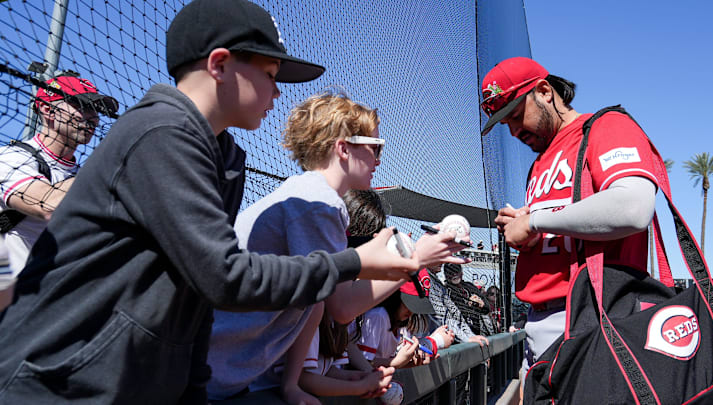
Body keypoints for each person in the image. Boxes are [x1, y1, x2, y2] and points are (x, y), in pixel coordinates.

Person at [0, 1, 467, 403]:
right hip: (62, 376)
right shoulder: (161, 133)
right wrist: (355, 261)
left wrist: (193, 387)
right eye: (268, 74)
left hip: (147, 378)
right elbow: (224, 276)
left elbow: (199, 293)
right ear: (220, 65)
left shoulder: (225, 155)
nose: (278, 91)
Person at [206, 92, 411, 403]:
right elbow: (341, 308)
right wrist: (414, 261)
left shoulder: (307, 193)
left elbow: (315, 303)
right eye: (374, 148)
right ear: (343, 148)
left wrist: (292, 385)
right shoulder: (320, 202)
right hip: (215, 368)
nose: (378, 159)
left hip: (230, 367)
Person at [482, 56, 663, 390]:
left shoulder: (605, 126)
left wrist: (535, 221)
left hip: (593, 319)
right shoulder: (538, 165)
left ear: (545, 92)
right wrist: (529, 232)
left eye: (516, 114)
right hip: (538, 327)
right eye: (504, 122)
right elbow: (563, 226)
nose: (513, 130)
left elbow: (634, 206)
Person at [0, 75, 118, 309]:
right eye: (83, 106)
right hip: (9, 301)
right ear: (47, 110)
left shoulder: (86, 174)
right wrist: (111, 157)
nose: (93, 118)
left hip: (51, 303)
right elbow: (48, 205)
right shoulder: (12, 158)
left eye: (97, 110)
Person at [443, 263, 497, 336]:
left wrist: (481, 303)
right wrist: (469, 305)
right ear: (446, 275)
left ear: (461, 273)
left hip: (476, 332)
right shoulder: (445, 291)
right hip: (456, 334)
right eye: (450, 272)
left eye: (456, 271)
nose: (454, 274)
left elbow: (487, 308)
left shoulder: (470, 287)